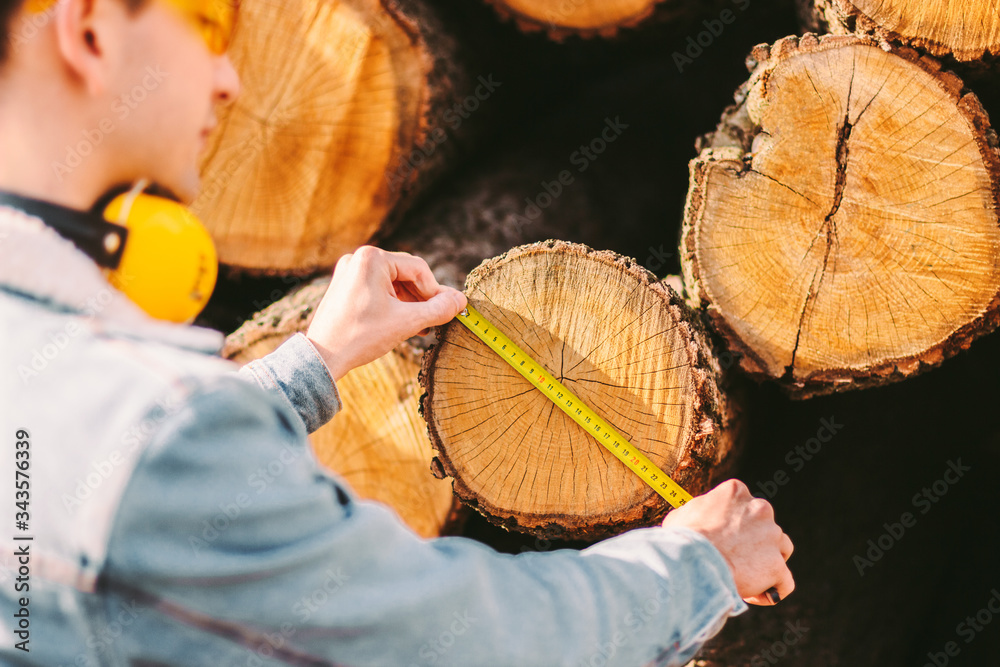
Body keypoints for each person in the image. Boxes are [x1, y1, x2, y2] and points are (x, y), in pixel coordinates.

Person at [0, 0, 794, 665]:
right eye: (207, 29)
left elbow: (114, 472)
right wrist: (696, 565)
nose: (229, 76)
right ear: (90, 31)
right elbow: (458, 641)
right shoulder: (152, 433)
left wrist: (314, 360)